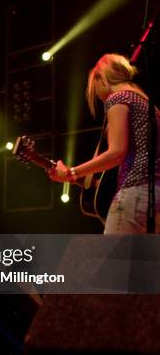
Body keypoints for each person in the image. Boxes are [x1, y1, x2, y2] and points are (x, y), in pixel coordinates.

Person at [48, 53, 160, 234]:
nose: (99, 98)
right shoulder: (148, 104)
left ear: (101, 79)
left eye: (95, 89)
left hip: (134, 194)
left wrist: (71, 173)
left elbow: (116, 153)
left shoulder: (118, 98)